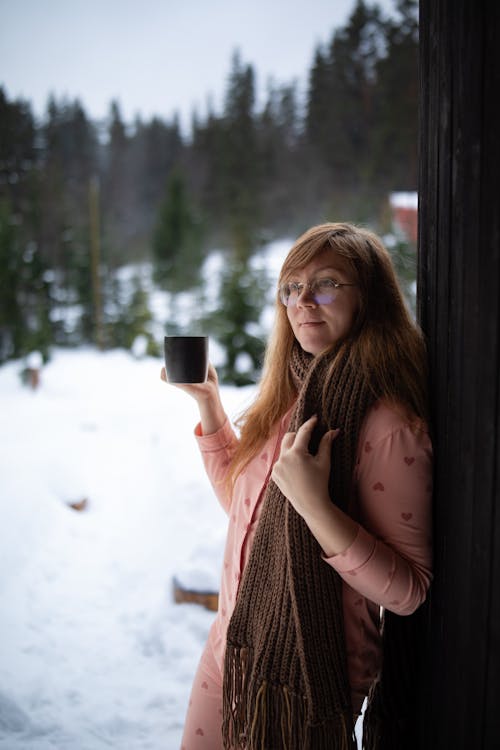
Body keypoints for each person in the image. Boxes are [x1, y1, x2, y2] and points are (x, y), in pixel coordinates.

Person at [161, 222, 433, 750]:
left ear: (368, 300)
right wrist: (210, 405)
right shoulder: (294, 394)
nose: (304, 300)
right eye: (292, 287)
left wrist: (315, 506)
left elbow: (409, 593)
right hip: (235, 647)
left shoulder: (389, 426)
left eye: (326, 283)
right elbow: (249, 513)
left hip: (304, 680)